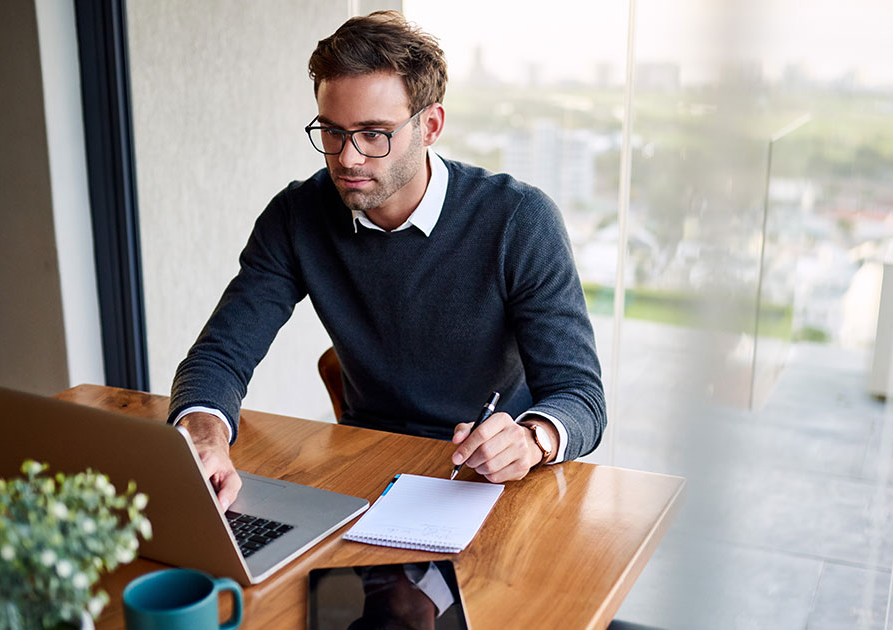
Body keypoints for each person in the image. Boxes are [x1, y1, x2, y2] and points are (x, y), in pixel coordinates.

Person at [168, 10, 605, 510]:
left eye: (374, 133)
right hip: (366, 466)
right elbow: (220, 355)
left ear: (431, 125)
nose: (347, 158)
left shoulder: (519, 220)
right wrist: (203, 437)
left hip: (493, 480)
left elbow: (580, 396)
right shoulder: (296, 216)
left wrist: (532, 440)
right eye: (331, 132)